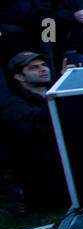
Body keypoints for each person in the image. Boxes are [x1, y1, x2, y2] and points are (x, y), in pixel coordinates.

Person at [0, 51, 69, 214]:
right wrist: (62, 87)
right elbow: (41, 124)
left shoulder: (51, 92)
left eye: (44, 65)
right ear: (19, 77)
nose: (43, 69)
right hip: (42, 173)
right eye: (33, 68)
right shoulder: (12, 105)